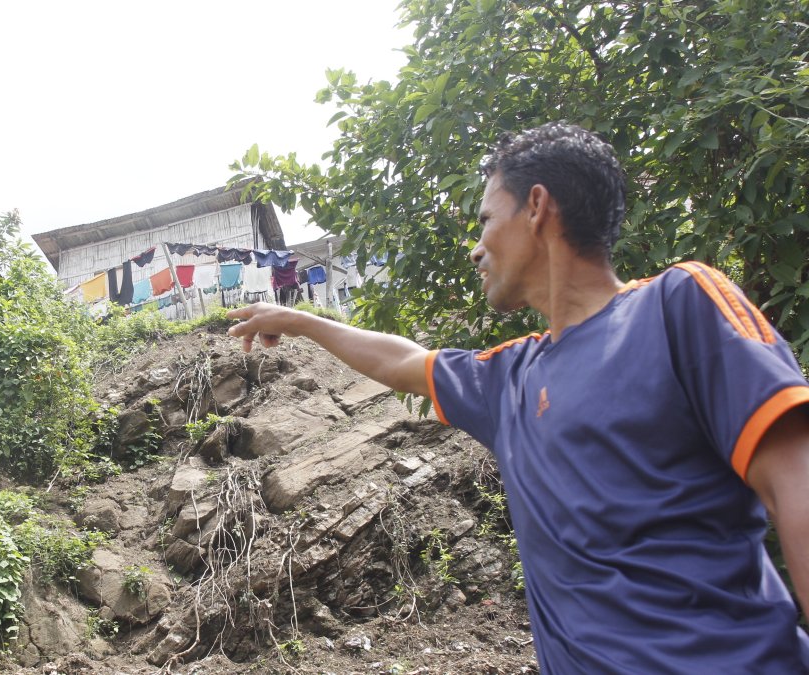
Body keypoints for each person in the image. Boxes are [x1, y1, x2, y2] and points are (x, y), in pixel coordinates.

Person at [226, 122, 809, 672]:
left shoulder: (677, 306)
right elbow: (402, 361)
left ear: (536, 207)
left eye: (485, 220)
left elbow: (797, 484)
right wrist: (301, 320)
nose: (476, 248)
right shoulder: (510, 376)